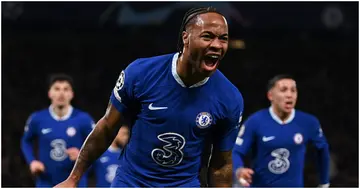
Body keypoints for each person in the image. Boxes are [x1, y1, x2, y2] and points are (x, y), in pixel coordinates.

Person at [55, 6, 244, 188]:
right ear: (186, 38)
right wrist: (73, 179)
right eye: (207, 37)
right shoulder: (141, 73)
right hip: (131, 181)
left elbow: (221, 164)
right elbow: (106, 128)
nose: (217, 45)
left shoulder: (230, 98)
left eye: (223, 39)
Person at [232, 74, 330, 187]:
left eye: (293, 90)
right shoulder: (255, 121)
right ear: (270, 95)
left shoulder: (309, 122)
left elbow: (322, 149)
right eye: (283, 90)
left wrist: (324, 182)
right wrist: (239, 170)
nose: (289, 95)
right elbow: (236, 151)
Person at [21, 74, 95, 187]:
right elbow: (26, 141)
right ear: (49, 93)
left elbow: (97, 144)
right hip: (46, 182)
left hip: (76, 183)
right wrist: (32, 161)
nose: (61, 93)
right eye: (57, 89)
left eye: (66, 89)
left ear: (72, 94)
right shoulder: (37, 118)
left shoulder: (83, 119)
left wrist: (83, 155)